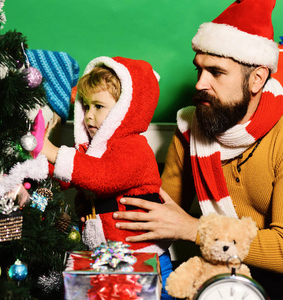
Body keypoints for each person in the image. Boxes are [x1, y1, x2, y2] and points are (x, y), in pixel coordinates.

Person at [111, 0, 283, 299]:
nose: (200, 83)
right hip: (218, 264)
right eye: (199, 69)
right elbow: (162, 210)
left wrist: (195, 230)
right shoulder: (192, 123)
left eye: (216, 72)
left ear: (257, 79)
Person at [41, 56, 173, 299]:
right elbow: (67, 178)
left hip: (143, 253)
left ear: (125, 111)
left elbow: (100, 176)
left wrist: (52, 151)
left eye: (99, 107)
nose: (89, 115)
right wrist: (40, 163)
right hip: (106, 254)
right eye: (86, 106)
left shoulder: (134, 147)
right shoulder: (93, 149)